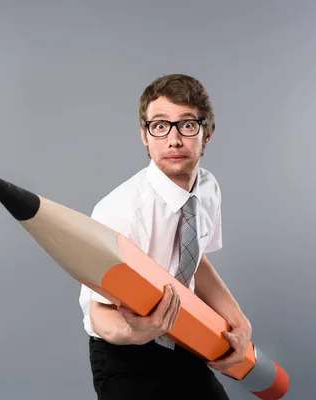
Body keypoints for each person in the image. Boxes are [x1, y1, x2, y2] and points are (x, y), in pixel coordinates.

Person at [78, 73, 252, 400]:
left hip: (185, 337)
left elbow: (196, 260)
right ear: (145, 136)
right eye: (160, 126)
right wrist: (138, 331)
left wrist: (240, 323)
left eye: (187, 125)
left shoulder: (208, 190)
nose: (173, 140)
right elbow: (98, 312)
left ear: (207, 133)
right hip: (125, 353)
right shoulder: (121, 213)